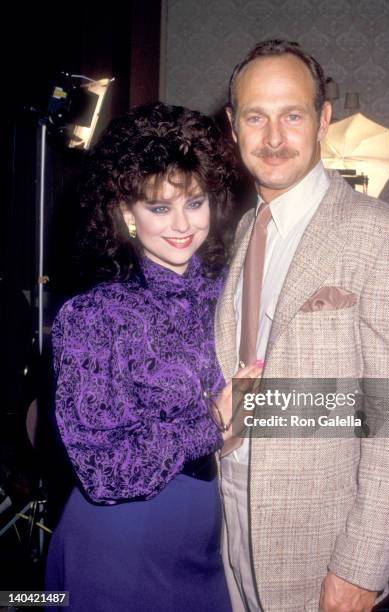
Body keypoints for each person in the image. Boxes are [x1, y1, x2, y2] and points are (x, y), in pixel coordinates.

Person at [215, 40, 389, 612]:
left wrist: (361, 568)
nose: (272, 137)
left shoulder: (381, 236)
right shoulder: (243, 230)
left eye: (291, 115)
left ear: (322, 120)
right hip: (229, 511)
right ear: (232, 125)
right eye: (255, 117)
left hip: (319, 537)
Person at [45, 101, 262, 611]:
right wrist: (213, 419)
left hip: (207, 535)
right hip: (118, 544)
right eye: (159, 208)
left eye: (195, 202)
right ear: (127, 214)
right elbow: (101, 471)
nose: (182, 224)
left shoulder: (224, 292)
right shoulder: (94, 315)